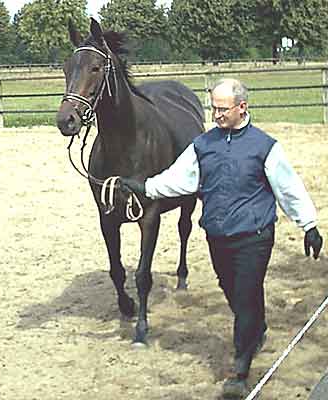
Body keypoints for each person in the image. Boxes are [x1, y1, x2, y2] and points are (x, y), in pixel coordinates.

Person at [119, 78, 323, 398]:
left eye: (222, 109)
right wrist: (144, 187)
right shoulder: (203, 145)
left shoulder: (265, 147)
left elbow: (289, 188)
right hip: (217, 235)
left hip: (254, 236)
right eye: (213, 108)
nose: (216, 115)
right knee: (232, 292)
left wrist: (308, 225)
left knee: (244, 295)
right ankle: (258, 327)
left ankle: (239, 371)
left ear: (242, 107)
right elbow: (178, 179)